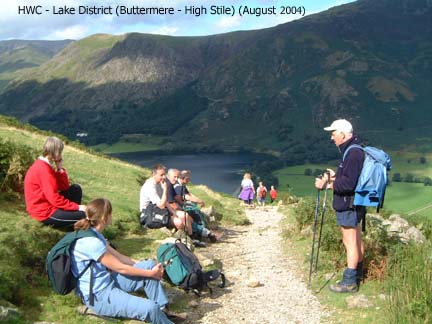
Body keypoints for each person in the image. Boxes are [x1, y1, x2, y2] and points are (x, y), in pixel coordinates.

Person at [70, 198, 174, 323]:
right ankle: (159, 314)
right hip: (99, 296)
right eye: (110, 213)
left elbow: (119, 257)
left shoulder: (94, 234)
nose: (112, 216)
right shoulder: (92, 243)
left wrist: (143, 265)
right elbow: (121, 268)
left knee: (149, 265)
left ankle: (162, 312)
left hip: (107, 282)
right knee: (150, 308)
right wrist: (151, 274)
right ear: (104, 218)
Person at [314, 119, 365, 293]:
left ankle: (349, 282)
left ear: (343, 134)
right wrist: (335, 176)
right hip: (355, 203)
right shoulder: (355, 149)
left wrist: (327, 185)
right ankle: (358, 275)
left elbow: (349, 184)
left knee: (349, 242)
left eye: (333, 133)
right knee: (356, 240)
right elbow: (351, 178)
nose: (332, 137)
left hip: (348, 204)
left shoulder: (352, 153)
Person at [24, 136, 86, 229]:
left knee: (76, 189)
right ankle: (71, 225)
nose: (61, 154)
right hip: (44, 212)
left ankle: (70, 218)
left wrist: (59, 168)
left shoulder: (44, 164)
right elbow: (54, 199)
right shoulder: (43, 169)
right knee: (85, 215)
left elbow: (64, 187)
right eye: (60, 151)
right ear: (54, 151)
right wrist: (77, 207)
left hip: (47, 204)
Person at [140, 164, 192, 235]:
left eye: (164, 174)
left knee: (185, 215)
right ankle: (184, 237)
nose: (164, 177)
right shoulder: (150, 186)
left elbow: (165, 201)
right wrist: (165, 189)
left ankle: (191, 235)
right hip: (150, 213)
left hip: (159, 210)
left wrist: (173, 212)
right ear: (154, 174)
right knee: (179, 222)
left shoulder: (159, 183)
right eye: (161, 175)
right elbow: (161, 205)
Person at [174, 170, 217, 242]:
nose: (189, 180)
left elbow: (190, 194)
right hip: (180, 207)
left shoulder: (182, 185)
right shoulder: (178, 187)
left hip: (183, 205)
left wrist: (199, 200)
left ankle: (205, 232)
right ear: (183, 178)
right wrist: (200, 201)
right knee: (195, 214)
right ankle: (204, 233)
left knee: (197, 212)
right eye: (188, 179)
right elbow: (187, 197)